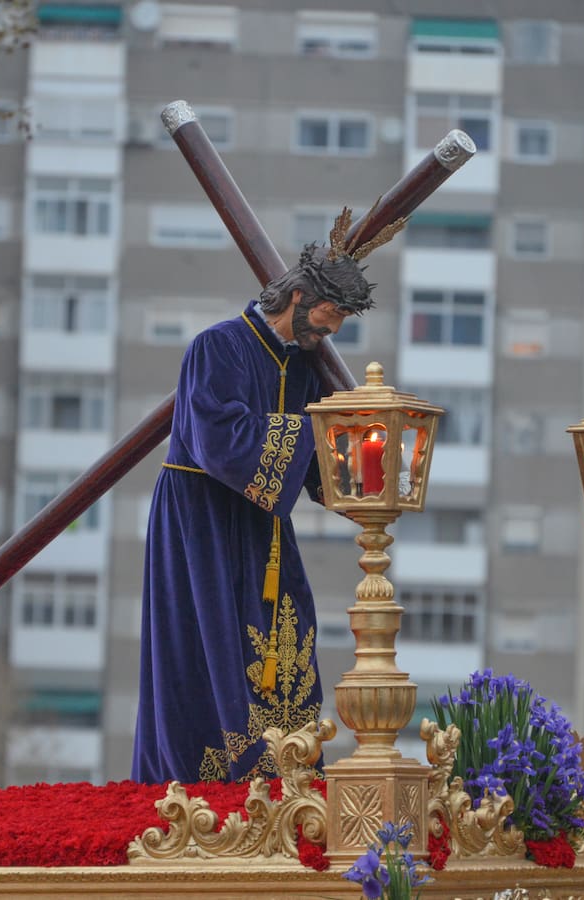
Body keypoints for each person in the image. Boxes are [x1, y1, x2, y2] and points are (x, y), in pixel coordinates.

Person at [132, 218, 376, 784]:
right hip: (202, 521)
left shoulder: (306, 367)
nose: (332, 329)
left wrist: (359, 479)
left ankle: (285, 770)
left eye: (340, 319)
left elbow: (314, 466)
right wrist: (317, 434)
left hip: (264, 525)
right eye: (329, 314)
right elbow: (222, 440)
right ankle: (206, 781)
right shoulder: (217, 346)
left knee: (286, 632)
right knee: (206, 644)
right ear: (297, 297)